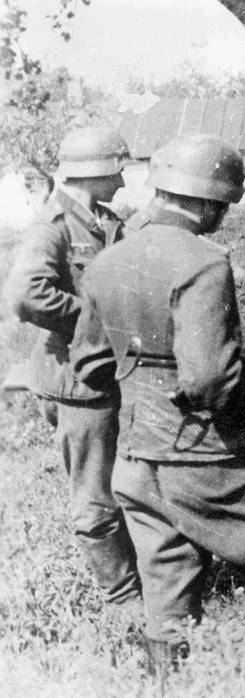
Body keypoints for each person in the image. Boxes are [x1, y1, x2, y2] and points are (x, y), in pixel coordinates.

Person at [69, 134, 245, 691]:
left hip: (137, 462)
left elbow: (91, 368)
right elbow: (210, 380)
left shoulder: (106, 260)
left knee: (167, 597)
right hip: (204, 462)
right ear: (211, 201)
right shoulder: (204, 263)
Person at [3, 127, 141, 608]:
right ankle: (124, 603)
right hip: (74, 385)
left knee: (125, 482)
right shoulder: (53, 225)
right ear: (97, 170)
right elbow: (26, 294)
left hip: (102, 378)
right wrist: (96, 322)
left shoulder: (103, 220)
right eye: (118, 167)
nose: (124, 178)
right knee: (94, 499)